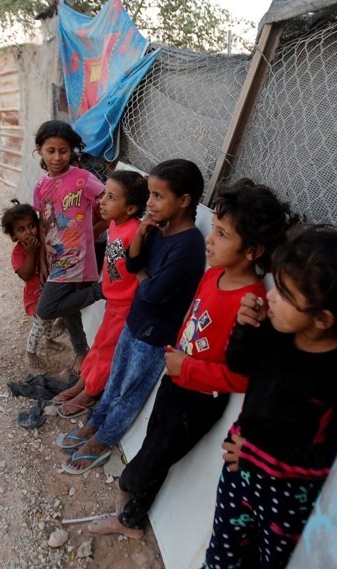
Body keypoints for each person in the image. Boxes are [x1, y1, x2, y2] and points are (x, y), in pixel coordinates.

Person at [87, 179, 299, 538]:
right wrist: (179, 358)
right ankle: (133, 520)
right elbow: (194, 318)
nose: (210, 240)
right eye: (213, 229)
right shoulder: (214, 274)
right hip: (176, 382)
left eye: (222, 234)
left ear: (253, 250)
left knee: (154, 458)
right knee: (155, 447)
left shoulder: (250, 305)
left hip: (198, 401)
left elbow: (240, 378)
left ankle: (125, 495)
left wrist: (187, 366)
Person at [204, 225, 337, 568]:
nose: (270, 297)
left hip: (287, 496)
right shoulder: (279, 328)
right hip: (240, 469)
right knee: (223, 550)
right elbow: (239, 364)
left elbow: (329, 458)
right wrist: (246, 328)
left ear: (322, 318)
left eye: (284, 293)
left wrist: (257, 455)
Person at [61, 158, 207, 474]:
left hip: (154, 336)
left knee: (129, 391)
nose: (150, 203)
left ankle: (103, 440)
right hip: (136, 320)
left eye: (158, 196)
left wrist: (141, 274)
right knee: (115, 379)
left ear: (184, 200)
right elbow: (132, 263)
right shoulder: (159, 229)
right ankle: (96, 422)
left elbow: (152, 291)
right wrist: (141, 232)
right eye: (150, 194)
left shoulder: (189, 245)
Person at [52, 170, 149, 419]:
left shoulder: (136, 232)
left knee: (107, 351)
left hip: (126, 306)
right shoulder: (115, 224)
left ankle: (91, 392)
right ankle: (84, 380)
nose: (102, 202)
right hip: (112, 300)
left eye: (111, 198)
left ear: (130, 208)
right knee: (99, 343)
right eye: (105, 194)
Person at [31, 120, 106, 376]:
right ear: (40, 150)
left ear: (71, 151)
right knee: (68, 307)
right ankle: (82, 353)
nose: (57, 157)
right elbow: (43, 225)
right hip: (57, 259)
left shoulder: (83, 179)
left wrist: (93, 232)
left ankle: (99, 290)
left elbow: (111, 205)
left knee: (46, 309)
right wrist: (43, 261)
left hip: (77, 258)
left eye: (63, 151)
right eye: (50, 150)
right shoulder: (41, 186)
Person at [0, 199, 63, 371]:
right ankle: (31, 351)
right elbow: (25, 275)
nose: (29, 232)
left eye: (31, 226)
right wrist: (30, 254)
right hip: (35, 297)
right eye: (21, 230)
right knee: (39, 325)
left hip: (48, 291)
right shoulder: (19, 253)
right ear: (13, 235)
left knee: (50, 318)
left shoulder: (43, 240)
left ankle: (49, 340)